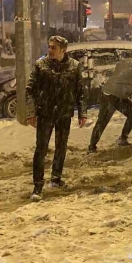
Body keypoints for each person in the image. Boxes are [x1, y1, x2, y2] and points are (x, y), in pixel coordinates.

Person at [27, 35, 87, 201]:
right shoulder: (41, 65)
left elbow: (80, 91)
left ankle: (56, 178)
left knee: (61, 147)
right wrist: (31, 113)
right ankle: (38, 186)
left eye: (54, 47)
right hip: (45, 113)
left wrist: (82, 112)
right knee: (41, 149)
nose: (50, 50)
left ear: (63, 50)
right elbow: (30, 90)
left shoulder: (74, 67)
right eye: (49, 47)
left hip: (64, 113)